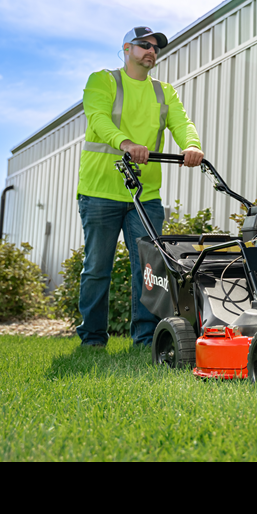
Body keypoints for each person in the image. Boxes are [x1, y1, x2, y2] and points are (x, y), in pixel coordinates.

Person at [75, 26, 204, 348]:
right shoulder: (103, 80)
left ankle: (145, 339)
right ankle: (92, 339)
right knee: (96, 268)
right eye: (144, 45)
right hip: (100, 191)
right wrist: (126, 143)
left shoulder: (164, 91)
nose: (151, 51)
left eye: (156, 48)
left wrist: (192, 146)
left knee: (148, 269)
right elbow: (98, 118)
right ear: (126, 48)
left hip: (144, 196)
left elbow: (181, 122)